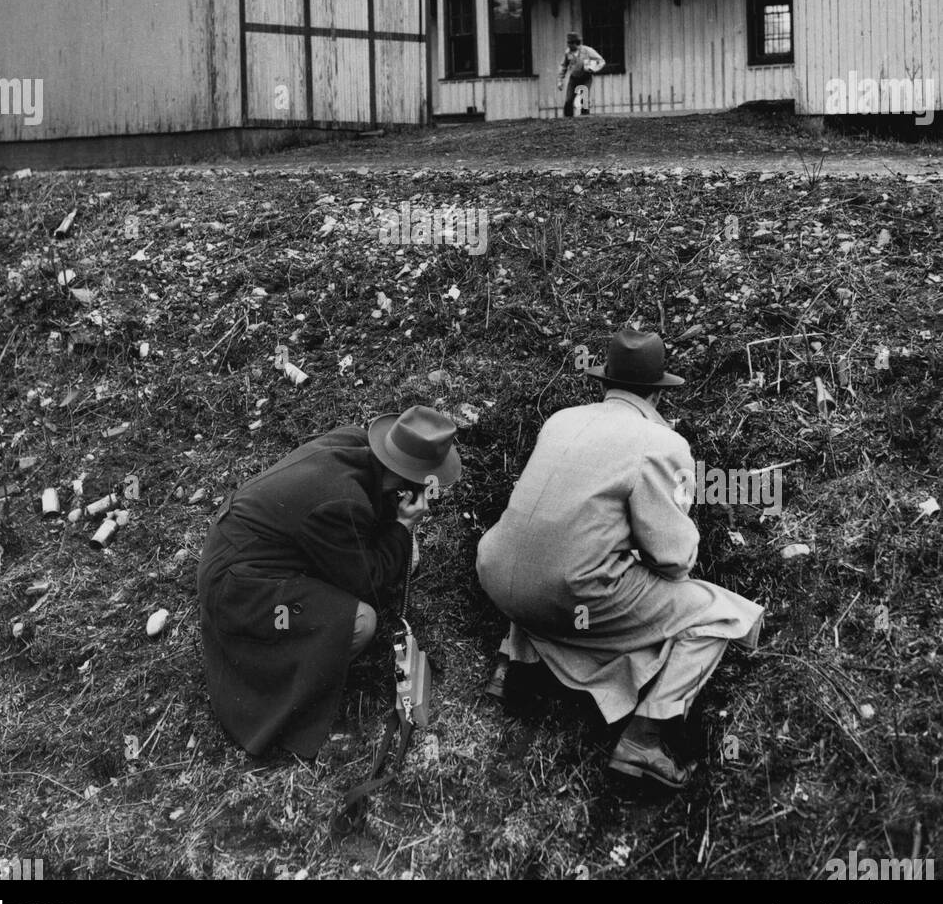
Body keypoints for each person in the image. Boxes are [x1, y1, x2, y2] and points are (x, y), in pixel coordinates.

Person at [476, 328, 763, 789]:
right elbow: (674, 561)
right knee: (721, 615)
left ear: (604, 381)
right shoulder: (660, 444)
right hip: (565, 593)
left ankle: (512, 668)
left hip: (494, 574)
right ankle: (644, 739)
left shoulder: (561, 419)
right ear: (656, 392)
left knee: (548, 546)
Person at [197, 405, 461, 760]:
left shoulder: (355, 443)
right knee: (359, 621)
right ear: (406, 481)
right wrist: (403, 528)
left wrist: (397, 534)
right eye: (428, 481)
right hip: (240, 588)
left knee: (404, 556)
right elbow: (367, 582)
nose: (432, 489)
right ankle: (285, 681)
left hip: (250, 551)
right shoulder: (342, 503)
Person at [556, 31, 605, 117]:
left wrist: (594, 69)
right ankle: (567, 120)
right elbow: (563, 66)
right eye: (568, 43)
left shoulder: (587, 50)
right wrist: (560, 80)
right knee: (569, 99)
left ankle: (585, 119)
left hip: (586, 77)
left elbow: (601, 61)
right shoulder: (568, 53)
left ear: (576, 43)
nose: (569, 45)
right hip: (574, 78)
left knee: (584, 99)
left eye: (571, 43)